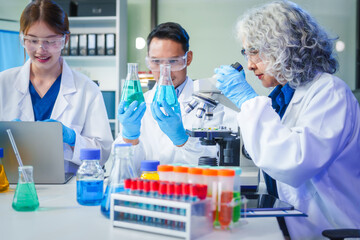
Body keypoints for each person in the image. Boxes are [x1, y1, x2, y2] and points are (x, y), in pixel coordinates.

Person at [215, 1, 360, 239]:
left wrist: (248, 102)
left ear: (283, 47)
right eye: (246, 53)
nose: (250, 65)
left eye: (254, 51)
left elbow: (294, 162)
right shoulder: (284, 95)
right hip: (293, 225)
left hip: (331, 227)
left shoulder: (330, 92)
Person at [0, 0, 113, 173]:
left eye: (50, 41)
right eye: (32, 40)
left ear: (65, 39)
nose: (40, 49)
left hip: (68, 191)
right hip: (14, 188)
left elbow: (103, 153)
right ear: (22, 38)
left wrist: (73, 139)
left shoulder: (87, 89)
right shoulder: (3, 83)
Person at [114, 22, 238, 174]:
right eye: (156, 62)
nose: (165, 71)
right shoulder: (140, 105)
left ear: (188, 58)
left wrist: (182, 140)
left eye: (173, 62)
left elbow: (216, 165)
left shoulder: (211, 102)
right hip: (150, 193)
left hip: (194, 193)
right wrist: (129, 138)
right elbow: (122, 172)